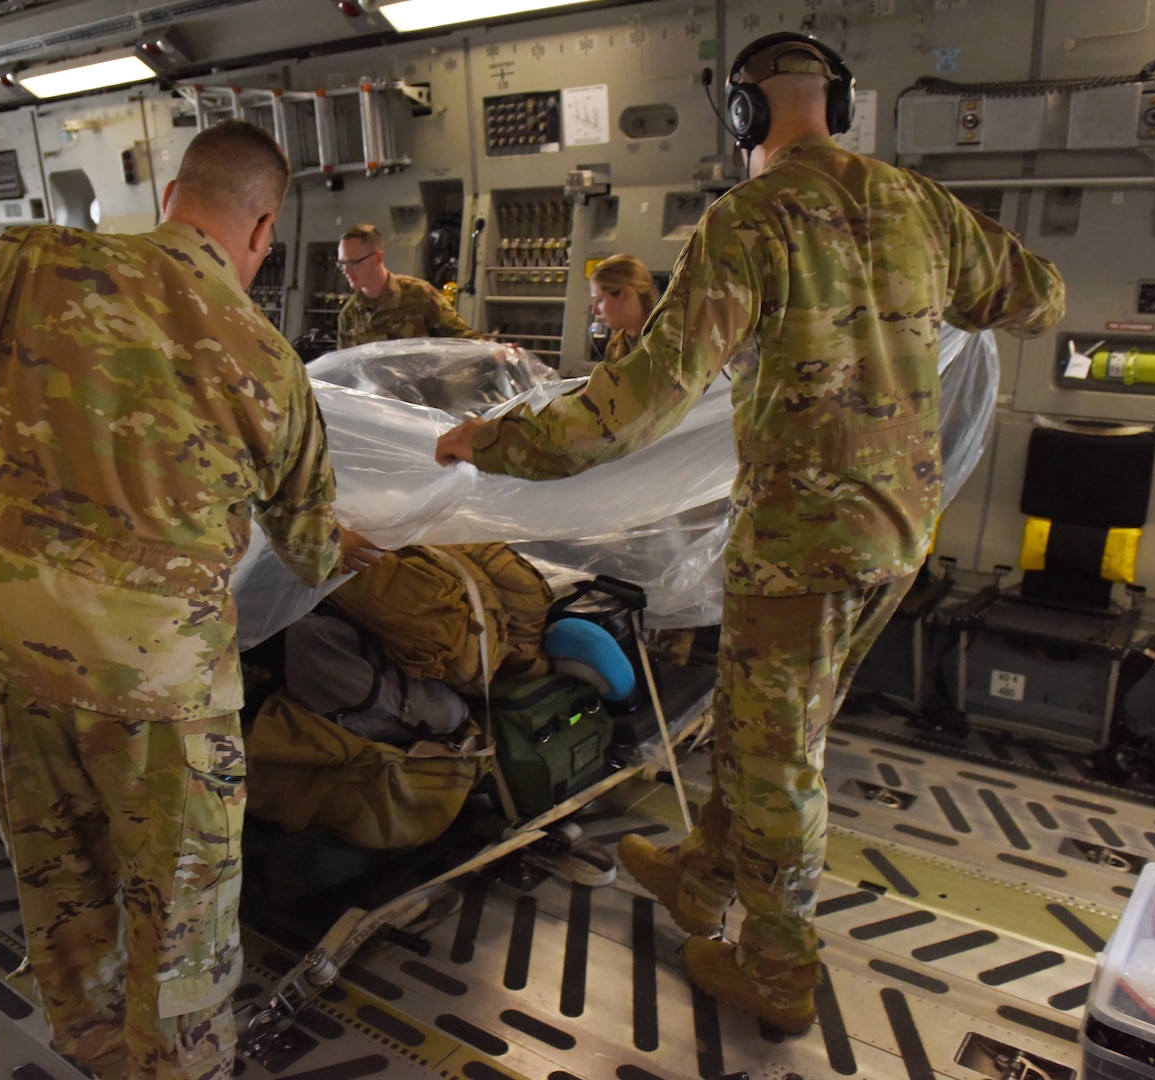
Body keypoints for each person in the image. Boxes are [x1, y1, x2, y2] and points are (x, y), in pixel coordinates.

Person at [436, 32, 1064, 1035]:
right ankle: (705, 873)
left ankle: (777, 971)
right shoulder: (921, 207)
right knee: (764, 716)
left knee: (780, 756)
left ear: (743, 118)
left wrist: (494, 443)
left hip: (803, 545)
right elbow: (1038, 296)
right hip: (897, 532)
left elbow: (633, 405)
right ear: (840, 105)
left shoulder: (750, 219)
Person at [0, 119, 381, 1080]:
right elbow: (307, 553)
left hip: (15, 664)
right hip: (162, 701)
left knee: (64, 901)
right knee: (181, 935)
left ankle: (92, 1051)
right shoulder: (271, 367)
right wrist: (350, 541)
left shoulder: (27, 266)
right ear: (262, 231)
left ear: (173, 197)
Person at [336, 223, 484, 348]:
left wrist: (495, 351)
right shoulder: (349, 316)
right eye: (342, 264)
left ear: (378, 258)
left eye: (353, 263)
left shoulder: (419, 294)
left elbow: (462, 336)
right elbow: (346, 367)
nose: (346, 271)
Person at [588, 254, 659, 364]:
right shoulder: (615, 347)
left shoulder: (666, 343)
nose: (594, 311)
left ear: (625, 295)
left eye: (599, 300)